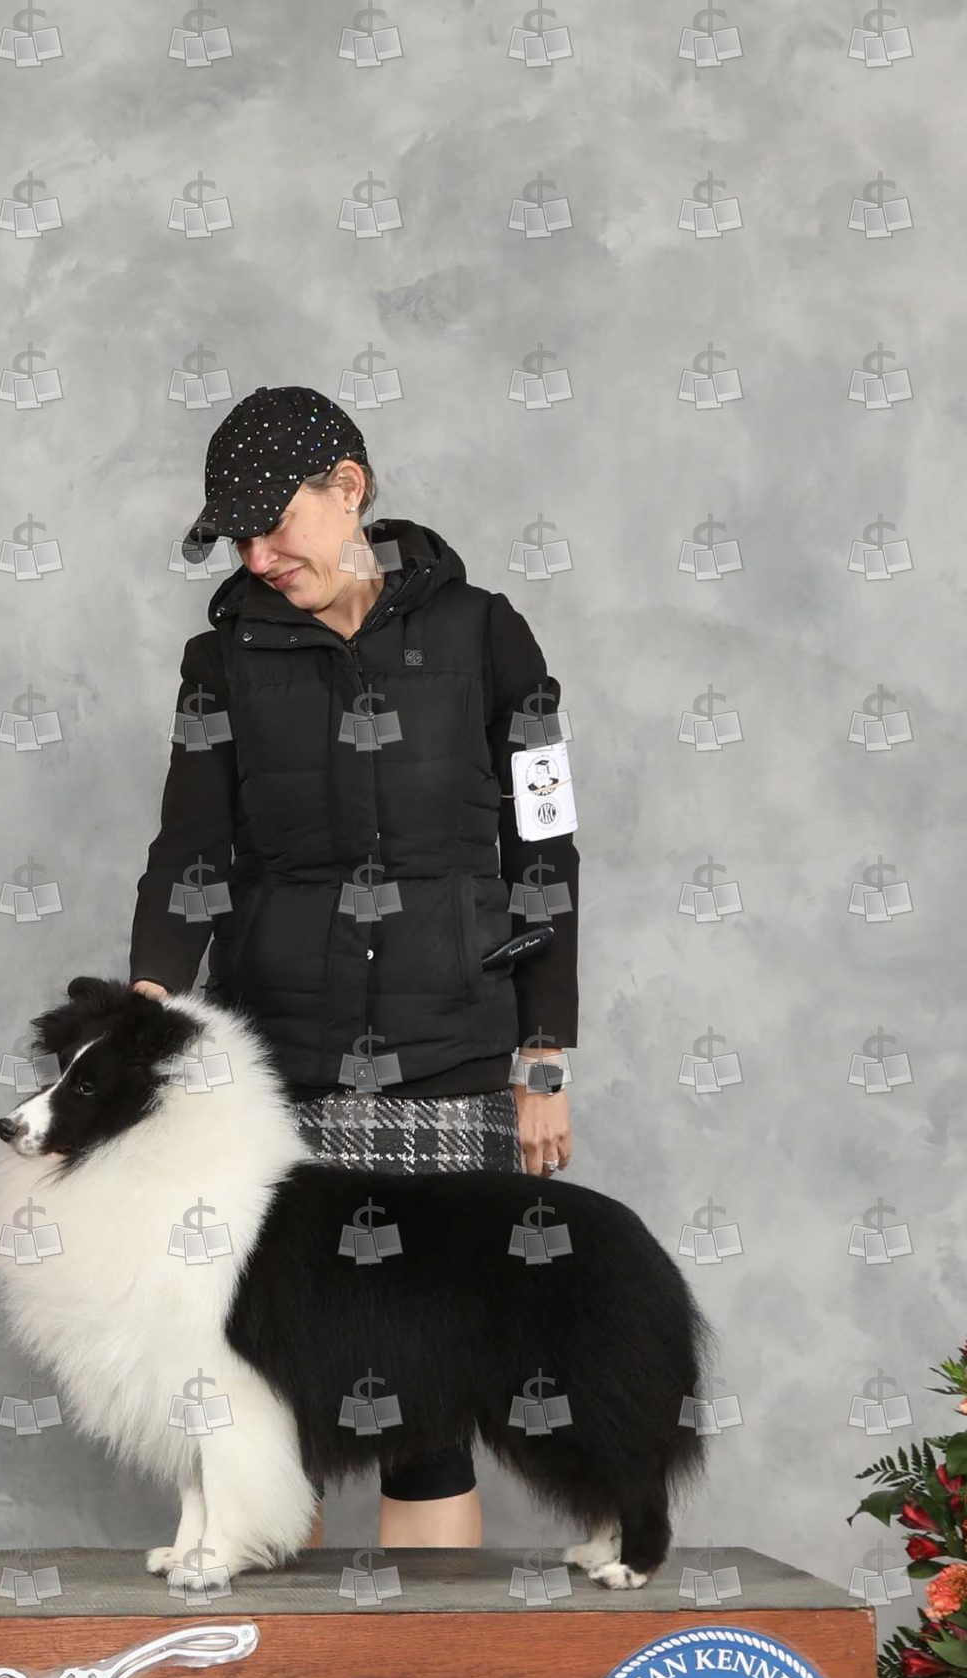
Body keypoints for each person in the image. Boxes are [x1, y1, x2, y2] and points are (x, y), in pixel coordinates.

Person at [127, 385, 581, 1551]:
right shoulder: (220, 661)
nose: (256, 556)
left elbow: (544, 849)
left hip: (453, 1062)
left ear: (349, 487)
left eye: (273, 523)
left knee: (428, 1405)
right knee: (276, 1393)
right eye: (237, 537)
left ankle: (426, 1668)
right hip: (280, 1076)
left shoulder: (489, 637)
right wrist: (146, 1010)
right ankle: (296, 1670)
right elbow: (190, 852)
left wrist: (541, 1058)